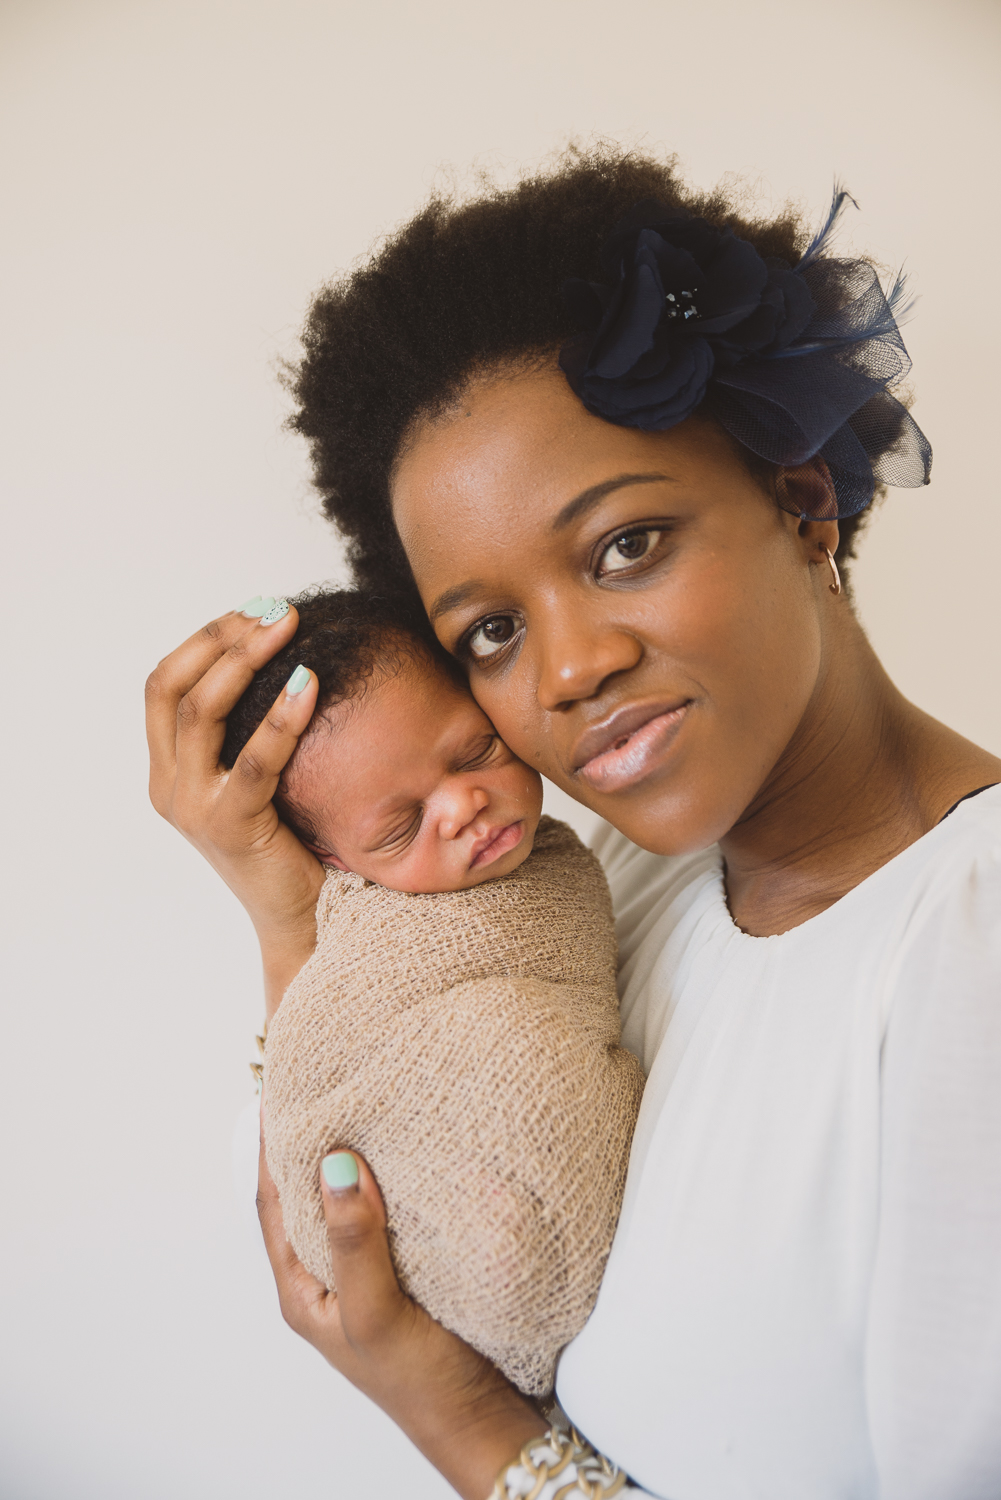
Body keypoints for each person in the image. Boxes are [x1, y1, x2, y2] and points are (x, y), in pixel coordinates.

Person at [146, 146, 1001, 1500]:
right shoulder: (603, 886)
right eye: (489, 630)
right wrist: (281, 892)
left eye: (624, 546)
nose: (565, 670)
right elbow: (392, 1110)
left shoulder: (968, 948)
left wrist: (463, 1427)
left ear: (801, 501)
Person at [222, 586, 643, 1398]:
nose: (462, 806)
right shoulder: (360, 934)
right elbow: (323, 1078)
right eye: (398, 828)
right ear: (337, 863)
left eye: (476, 752)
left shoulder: (572, 862)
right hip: (444, 1239)